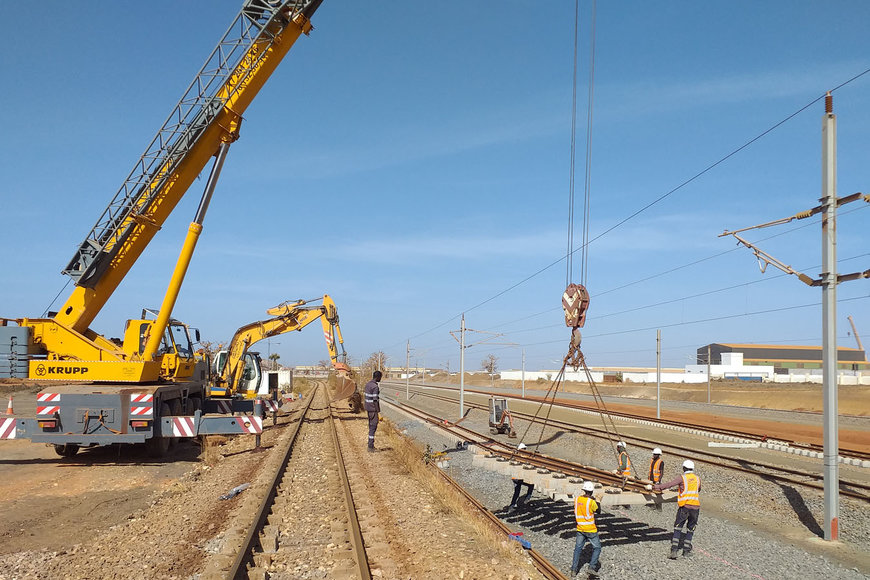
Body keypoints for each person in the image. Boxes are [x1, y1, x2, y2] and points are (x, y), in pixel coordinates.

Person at [654, 459, 700, 559]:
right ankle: (686, 551)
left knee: (678, 527)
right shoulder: (697, 478)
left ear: (684, 468)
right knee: (690, 529)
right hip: (695, 508)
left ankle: (674, 551)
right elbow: (698, 489)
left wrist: (657, 487)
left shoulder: (682, 478)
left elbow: (670, 484)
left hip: (685, 507)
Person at [571, 481, 602, 578]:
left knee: (578, 549)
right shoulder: (591, 502)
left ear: (584, 490)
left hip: (580, 528)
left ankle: (573, 570)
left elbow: (581, 504)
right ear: (592, 491)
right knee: (597, 548)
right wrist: (598, 500)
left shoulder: (577, 500)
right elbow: (598, 511)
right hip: (590, 530)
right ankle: (591, 568)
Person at [364, 370, 381, 450]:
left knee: (371, 425)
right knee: (373, 426)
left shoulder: (368, 384)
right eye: (380, 377)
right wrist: (378, 411)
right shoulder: (375, 387)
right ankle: (370, 446)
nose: (380, 379)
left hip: (368, 408)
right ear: (377, 377)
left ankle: (370, 443)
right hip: (373, 409)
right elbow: (375, 399)